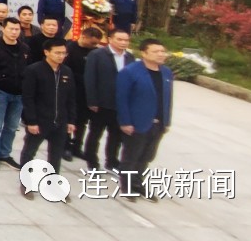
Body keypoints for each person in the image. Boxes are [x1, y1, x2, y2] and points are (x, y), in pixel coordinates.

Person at [18, 38, 76, 197]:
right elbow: (28, 98)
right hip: (39, 120)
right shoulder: (34, 70)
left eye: (63, 53)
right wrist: (31, 121)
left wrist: (71, 120)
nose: (61, 56)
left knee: (56, 154)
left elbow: (71, 98)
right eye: (57, 53)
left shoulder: (66, 72)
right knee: (30, 152)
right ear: (46, 52)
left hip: (60, 121)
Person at [116, 39, 173, 201]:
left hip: (158, 123)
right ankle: (127, 187)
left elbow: (168, 98)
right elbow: (122, 99)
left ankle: (138, 183)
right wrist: (125, 122)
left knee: (147, 156)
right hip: (137, 122)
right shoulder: (130, 72)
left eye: (162, 51)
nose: (161, 54)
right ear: (144, 53)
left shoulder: (166, 73)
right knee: (131, 156)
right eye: (156, 51)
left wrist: (166, 121)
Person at [84, 29, 136, 172]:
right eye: (119, 39)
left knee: (116, 135)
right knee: (95, 133)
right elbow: (90, 78)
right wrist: (92, 101)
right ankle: (92, 161)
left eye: (126, 40)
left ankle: (112, 161)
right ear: (110, 39)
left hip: (120, 105)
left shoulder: (130, 57)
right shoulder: (97, 55)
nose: (123, 43)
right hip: (101, 103)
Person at [0, 18, 28, 170]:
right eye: (11, 29)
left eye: (17, 29)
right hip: (0, 91)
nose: (14, 32)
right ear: (3, 29)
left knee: (12, 126)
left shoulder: (24, 48)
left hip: (19, 93)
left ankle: (5, 154)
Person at [64, 27, 103, 161]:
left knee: (82, 121)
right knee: (69, 119)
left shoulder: (96, 52)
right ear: (84, 37)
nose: (94, 46)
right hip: (71, 90)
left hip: (87, 93)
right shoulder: (69, 48)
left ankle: (77, 146)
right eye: (92, 43)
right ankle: (66, 146)